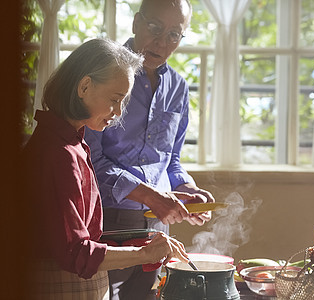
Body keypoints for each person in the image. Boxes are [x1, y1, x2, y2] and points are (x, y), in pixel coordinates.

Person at [20, 38, 190, 300]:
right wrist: (145, 254)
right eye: (115, 99)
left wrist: (145, 240)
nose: (118, 112)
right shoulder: (57, 154)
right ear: (84, 86)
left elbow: (80, 236)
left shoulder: (73, 143)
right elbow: (75, 253)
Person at [84, 1, 216, 299]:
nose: (161, 42)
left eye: (174, 34)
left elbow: (171, 161)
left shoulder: (179, 88)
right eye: (155, 28)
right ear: (136, 23)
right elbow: (90, 162)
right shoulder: (104, 73)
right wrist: (148, 194)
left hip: (158, 225)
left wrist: (185, 189)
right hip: (107, 220)